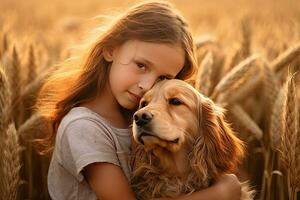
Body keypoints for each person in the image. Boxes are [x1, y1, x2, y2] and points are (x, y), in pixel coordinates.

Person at [36, 1, 242, 200]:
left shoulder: (139, 116)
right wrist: (220, 194)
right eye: (141, 65)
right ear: (110, 49)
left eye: (163, 78)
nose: (147, 85)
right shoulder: (82, 128)